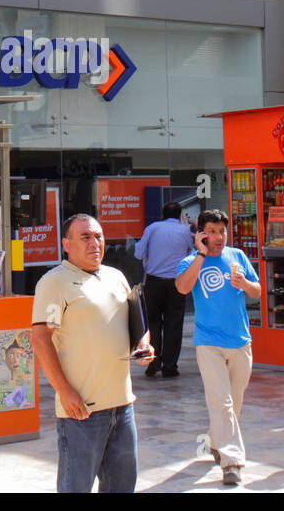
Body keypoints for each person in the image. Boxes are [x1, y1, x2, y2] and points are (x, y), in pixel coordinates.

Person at [31, 214, 154, 493]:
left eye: (98, 236)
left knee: (122, 486)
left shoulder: (117, 277)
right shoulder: (54, 283)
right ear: (66, 244)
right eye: (85, 237)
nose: (94, 242)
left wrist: (144, 345)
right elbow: (40, 339)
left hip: (122, 407)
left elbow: (138, 325)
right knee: (76, 487)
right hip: (81, 411)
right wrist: (64, 391)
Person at [175, 208, 262, 486]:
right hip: (208, 342)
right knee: (221, 402)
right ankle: (232, 462)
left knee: (234, 403)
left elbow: (258, 291)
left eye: (221, 231)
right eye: (211, 232)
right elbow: (182, 288)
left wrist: (245, 283)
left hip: (240, 340)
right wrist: (200, 255)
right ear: (200, 234)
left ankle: (216, 440)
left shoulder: (237, 256)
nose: (218, 237)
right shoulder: (190, 261)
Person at [133, 201, 192, 378]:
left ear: (163, 214)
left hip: (154, 282)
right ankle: (170, 366)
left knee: (152, 323)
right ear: (180, 215)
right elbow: (192, 252)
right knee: (174, 324)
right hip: (177, 282)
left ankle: (152, 363)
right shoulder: (185, 231)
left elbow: (138, 253)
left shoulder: (153, 228)